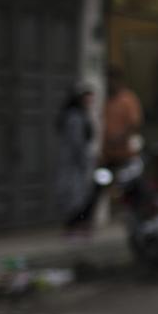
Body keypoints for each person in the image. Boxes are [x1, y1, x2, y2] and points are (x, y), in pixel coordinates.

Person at [55, 84, 98, 232]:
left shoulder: (81, 115)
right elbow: (77, 143)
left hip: (77, 163)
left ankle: (77, 225)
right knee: (75, 197)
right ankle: (73, 226)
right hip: (74, 164)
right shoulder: (75, 117)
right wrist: (85, 162)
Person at [101, 65, 143, 167]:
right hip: (107, 155)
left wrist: (119, 138)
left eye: (111, 80)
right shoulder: (105, 100)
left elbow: (134, 123)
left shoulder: (128, 100)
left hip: (125, 154)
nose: (109, 83)